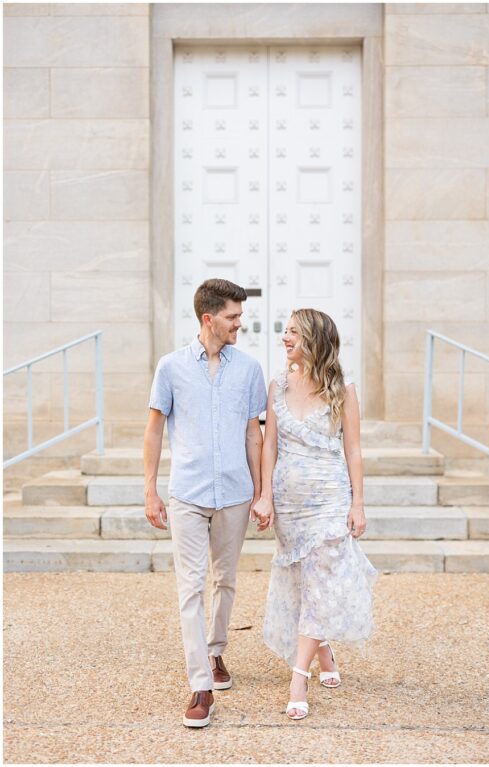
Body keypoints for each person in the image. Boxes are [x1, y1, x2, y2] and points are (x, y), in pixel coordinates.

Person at [144, 278, 268, 728]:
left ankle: (216, 652)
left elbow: (254, 433)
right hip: (189, 494)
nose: (240, 323)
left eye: (240, 316)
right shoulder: (171, 367)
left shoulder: (250, 369)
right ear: (208, 318)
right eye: (234, 316)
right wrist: (149, 488)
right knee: (190, 588)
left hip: (234, 493)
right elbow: (155, 428)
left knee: (227, 580)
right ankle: (200, 686)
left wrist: (260, 493)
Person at [253, 308, 377, 720]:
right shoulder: (277, 386)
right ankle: (325, 655)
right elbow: (269, 445)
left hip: (329, 500)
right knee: (304, 583)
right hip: (289, 503)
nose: (285, 338)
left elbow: (354, 449)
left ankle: (298, 675)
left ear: (315, 339)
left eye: (293, 332)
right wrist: (264, 495)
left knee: (322, 578)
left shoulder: (343, 389)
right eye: (284, 331)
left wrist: (358, 502)